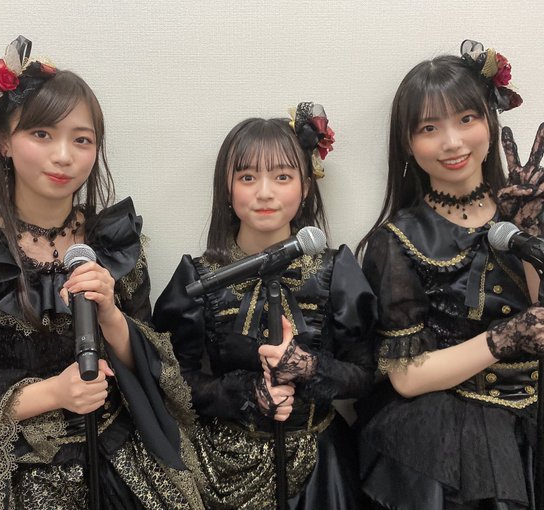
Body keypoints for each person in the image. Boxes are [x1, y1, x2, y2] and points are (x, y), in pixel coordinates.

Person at [0, 36, 204, 509]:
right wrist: (51, 393)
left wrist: (111, 317)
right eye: (41, 134)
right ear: (5, 141)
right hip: (14, 469)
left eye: (81, 139)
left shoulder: (114, 244)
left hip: (121, 456)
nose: (64, 156)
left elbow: (153, 367)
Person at [356, 39, 544, 509]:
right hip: (447, 433)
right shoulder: (396, 240)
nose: (452, 142)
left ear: (491, 122)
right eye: (429, 128)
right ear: (408, 143)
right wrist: (502, 339)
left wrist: (529, 240)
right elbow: (406, 378)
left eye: (467, 119)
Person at [153, 103, 377, 509]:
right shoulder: (198, 275)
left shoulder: (336, 269)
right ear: (227, 188)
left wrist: (307, 367)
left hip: (321, 463)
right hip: (223, 462)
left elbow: (366, 374)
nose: (265, 192)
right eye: (247, 177)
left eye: (282, 176)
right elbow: (172, 380)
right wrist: (244, 392)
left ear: (305, 187)